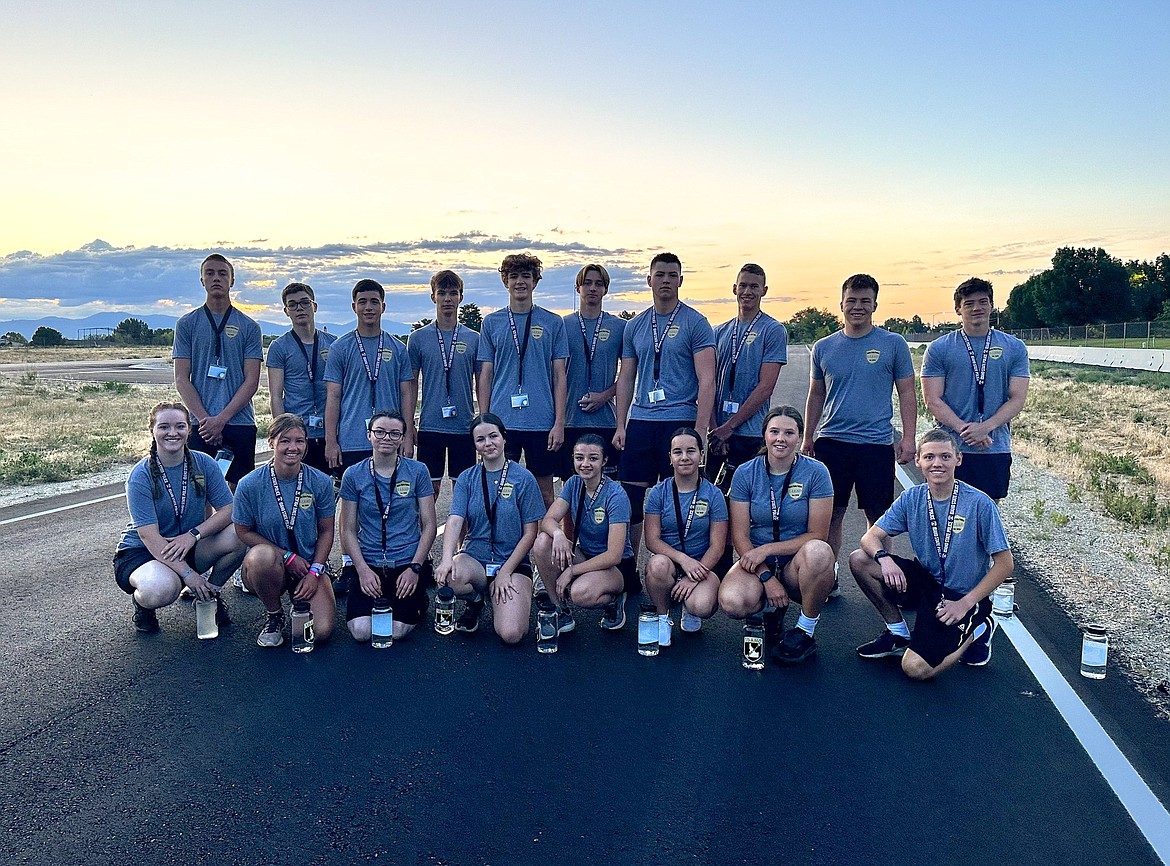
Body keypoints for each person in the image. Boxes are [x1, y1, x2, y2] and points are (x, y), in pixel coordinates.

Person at [849, 428, 1014, 677]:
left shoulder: (979, 503)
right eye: (929, 457)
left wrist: (965, 603)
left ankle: (978, 627)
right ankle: (898, 632)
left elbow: (1005, 564)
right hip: (928, 584)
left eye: (945, 457)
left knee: (915, 669)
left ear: (958, 459)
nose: (937, 463)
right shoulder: (912, 498)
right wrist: (884, 559)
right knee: (860, 560)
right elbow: (870, 537)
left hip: (961, 595)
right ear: (918, 461)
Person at [803, 273, 916, 591]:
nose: (857, 307)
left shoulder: (893, 344)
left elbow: (907, 392)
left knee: (879, 520)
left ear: (875, 304)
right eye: (851, 300)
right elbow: (816, 395)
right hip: (832, 443)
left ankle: (882, 578)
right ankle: (828, 576)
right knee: (830, 516)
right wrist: (808, 437)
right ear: (841, 304)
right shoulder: (824, 348)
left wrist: (908, 438)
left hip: (876, 444)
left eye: (865, 301)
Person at [613, 252, 716, 566]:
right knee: (630, 498)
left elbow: (707, 378)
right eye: (660, 275)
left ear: (681, 281)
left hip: (680, 420)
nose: (666, 281)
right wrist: (621, 424)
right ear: (649, 280)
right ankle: (628, 565)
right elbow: (626, 376)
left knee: (677, 498)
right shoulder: (635, 326)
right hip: (641, 421)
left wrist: (700, 430)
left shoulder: (696, 323)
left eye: (673, 275)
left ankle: (678, 566)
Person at [113, 401, 246, 633]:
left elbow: (229, 509)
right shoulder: (140, 475)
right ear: (152, 431)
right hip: (146, 551)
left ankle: (209, 595)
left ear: (188, 430)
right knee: (162, 589)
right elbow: (148, 536)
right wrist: (189, 575)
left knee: (239, 535)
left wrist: (193, 535)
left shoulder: (204, 463)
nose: (172, 433)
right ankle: (144, 605)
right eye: (164, 427)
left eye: (180, 426)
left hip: (188, 543)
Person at [718, 406, 835, 663]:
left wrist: (769, 549)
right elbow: (740, 536)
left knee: (820, 552)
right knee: (733, 602)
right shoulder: (745, 473)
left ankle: (805, 630)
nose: (780, 438)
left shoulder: (817, 473)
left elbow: (818, 533)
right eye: (774, 432)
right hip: (757, 562)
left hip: (796, 563)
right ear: (765, 435)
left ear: (799, 437)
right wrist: (766, 576)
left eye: (789, 433)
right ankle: (770, 609)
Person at [435, 414, 546, 644]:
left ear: (504, 438)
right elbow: (455, 520)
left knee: (511, 634)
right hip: (475, 557)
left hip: (512, 562)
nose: (488, 443)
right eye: (481, 439)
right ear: (475, 445)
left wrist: (505, 571)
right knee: (447, 578)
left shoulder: (523, 478)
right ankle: (476, 598)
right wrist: (447, 558)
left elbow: (530, 533)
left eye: (493, 436)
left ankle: (501, 597)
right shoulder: (467, 478)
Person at [232, 414, 338, 648]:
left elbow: (327, 531)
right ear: (271, 443)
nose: (293, 447)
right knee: (261, 556)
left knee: (320, 633)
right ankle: (275, 614)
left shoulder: (319, 481)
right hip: (270, 565)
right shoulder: (249, 484)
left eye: (299, 441)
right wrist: (286, 556)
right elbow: (242, 530)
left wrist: (315, 572)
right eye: (285, 441)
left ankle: (302, 604)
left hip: (309, 566)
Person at [922, 277, 1029, 500]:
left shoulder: (1014, 347)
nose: (977, 308)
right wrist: (966, 429)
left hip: (994, 446)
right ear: (958, 309)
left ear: (992, 306)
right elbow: (932, 400)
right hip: (949, 449)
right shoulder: (939, 348)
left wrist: (986, 427)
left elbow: (1017, 398)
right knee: (946, 513)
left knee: (988, 513)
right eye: (969, 303)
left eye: (983, 302)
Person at [476, 253, 569, 508]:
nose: (520, 282)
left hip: (541, 422)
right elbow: (485, 374)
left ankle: (544, 547)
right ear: (505, 281)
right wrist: (484, 421)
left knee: (545, 495)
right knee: (499, 493)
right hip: (502, 422)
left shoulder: (552, 322)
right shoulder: (492, 323)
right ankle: (505, 546)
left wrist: (559, 422)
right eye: (514, 276)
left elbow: (559, 376)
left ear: (535, 281)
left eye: (526, 276)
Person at [339, 410, 438, 642]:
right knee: (362, 632)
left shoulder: (418, 471)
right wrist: (361, 570)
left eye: (395, 433)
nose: (386, 438)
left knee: (396, 631)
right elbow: (347, 530)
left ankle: (418, 595)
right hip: (369, 564)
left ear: (403, 438)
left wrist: (415, 568)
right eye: (380, 432)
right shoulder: (353, 474)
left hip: (406, 564)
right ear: (369, 435)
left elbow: (430, 525)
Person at [172, 254, 263, 489]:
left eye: (223, 274)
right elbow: (182, 379)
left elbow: (251, 381)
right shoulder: (187, 324)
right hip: (200, 424)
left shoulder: (249, 327)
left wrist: (221, 420)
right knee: (199, 492)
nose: (216, 278)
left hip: (239, 422)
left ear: (232, 281)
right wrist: (205, 420)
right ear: (202, 280)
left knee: (238, 495)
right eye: (210, 273)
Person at [532, 434, 634, 637]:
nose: (585, 464)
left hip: (616, 565)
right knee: (543, 541)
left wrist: (572, 571)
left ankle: (614, 601)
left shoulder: (616, 495)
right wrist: (559, 534)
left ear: (604, 461)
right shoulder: (573, 484)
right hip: (585, 554)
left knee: (580, 593)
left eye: (593, 458)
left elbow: (614, 555)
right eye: (579, 458)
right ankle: (560, 611)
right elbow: (548, 521)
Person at [643, 428, 729, 645]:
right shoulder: (658, 493)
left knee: (701, 605)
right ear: (670, 458)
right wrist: (682, 560)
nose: (684, 457)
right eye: (677, 452)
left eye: (691, 451)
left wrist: (694, 576)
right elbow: (652, 541)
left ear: (701, 455)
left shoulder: (714, 494)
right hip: (673, 561)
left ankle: (689, 608)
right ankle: (663, 617)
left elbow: (717, 547)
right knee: (657, 565)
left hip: (702, 565)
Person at [324, 278, 416, 473]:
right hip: (351, 440)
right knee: (353, 501)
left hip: (390, 440)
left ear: (383, 307)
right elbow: (333, 397)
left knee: (390, 500)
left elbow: (406, 395)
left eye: (374, 302)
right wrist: (331, 441)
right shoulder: (340, 348)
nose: (368, 307)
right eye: (362, 301)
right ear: (354, 306)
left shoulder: (398, 348)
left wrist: (407, 436)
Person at [708, 263, 787, 488]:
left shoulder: (772, 330)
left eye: (754, 286)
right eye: (743, 286)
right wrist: (715, 429)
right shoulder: (719, 332)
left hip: (750, 434)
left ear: (764, 290)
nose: (747, 292)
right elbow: (708, 383)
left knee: (748, 502)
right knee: (715, 502)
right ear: (734, 288)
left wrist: (730, 427)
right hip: (718, 434)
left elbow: (766, 386)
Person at [407, 270, 480, 497]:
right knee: (429, 491)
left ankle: (464, 534)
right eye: (442, 293)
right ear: (433, 297)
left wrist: (483, 421)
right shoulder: (418, 338)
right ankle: (425, 534)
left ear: (461, 297)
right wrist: (409, 426)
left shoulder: (473, 338)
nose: (447, 299)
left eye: (453, 293)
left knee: (464, 491)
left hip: (463, 426)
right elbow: (410, 385)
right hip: (430, 426)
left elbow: (482, 382)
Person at [560, 264, 626, 481]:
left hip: (606, 421)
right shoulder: (562, 325)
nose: (592, 288)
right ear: (578, 287)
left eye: (599, 284)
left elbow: (629, 374)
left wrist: (606, 395)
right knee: (571, 486)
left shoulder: (619, 327)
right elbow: (554, 374)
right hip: (570, 420)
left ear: (605, 290)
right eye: (587, 283)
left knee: (606, 484)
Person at [266, 282, 339, 475]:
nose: (299, 308)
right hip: (297, 436)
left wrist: (334, 438)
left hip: (330, 434)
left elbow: (341, 391)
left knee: (330, 492)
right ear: (286, 311)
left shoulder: (334, 344)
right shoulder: (279, 347)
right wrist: (281, 436)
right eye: (293, 304)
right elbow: (275, 396)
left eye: (304, 302)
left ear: (314, 306)